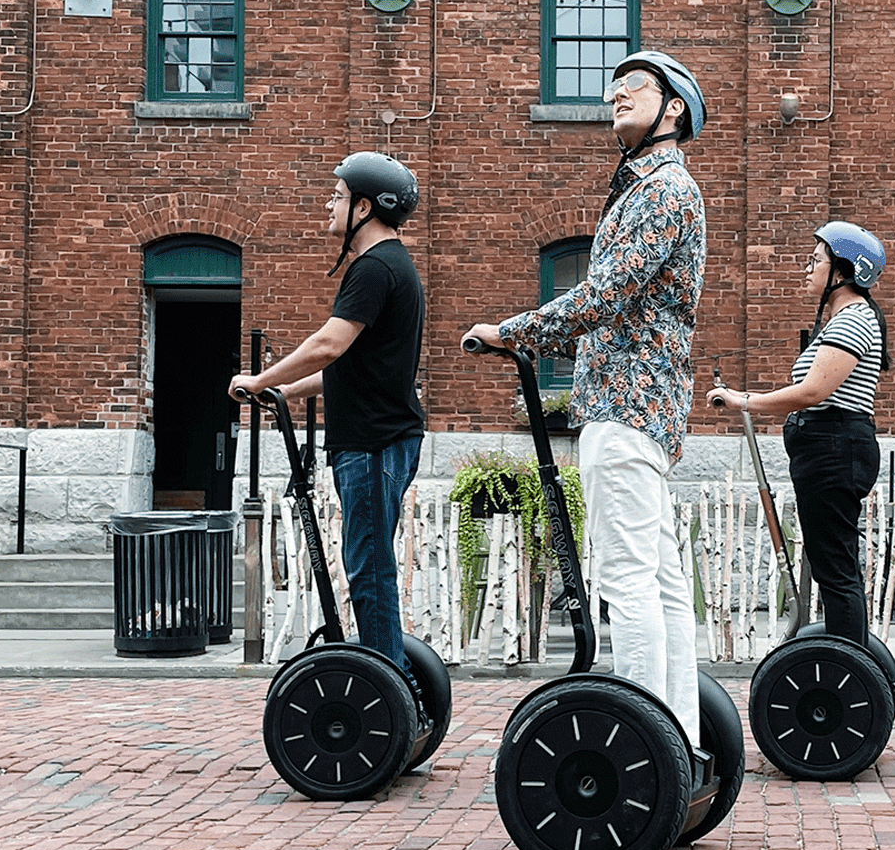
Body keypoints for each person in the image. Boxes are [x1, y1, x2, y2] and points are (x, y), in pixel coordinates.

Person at [461, 50, 708, 745]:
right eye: (612, 90)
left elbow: (606, 295)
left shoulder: (663, 191)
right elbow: (619, 310)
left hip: (625, 414)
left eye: (635, 88)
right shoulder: (647, 189)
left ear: (674, 109)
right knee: (659, 584)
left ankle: (638, 740)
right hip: (635, 411)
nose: (616, 96)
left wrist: (515, 332)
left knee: (629, 582)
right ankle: (679, 740)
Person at [228, 152, 426, 684]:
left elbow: (329, 345)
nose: (329, 204)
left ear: (364, 207)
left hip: (372, 444)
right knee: (369, 562)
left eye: (338, 196)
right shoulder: (391, 265)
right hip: (381, 438)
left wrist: (259, 379)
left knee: (369, 568)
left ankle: (391, 686)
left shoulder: (374, 266)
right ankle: (394, 679)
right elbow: (356, 367)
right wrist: (289, 391)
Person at [706, 222, 889, 648]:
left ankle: (854, 669)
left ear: (843, 272)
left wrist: (742, 400)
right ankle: (854, 661)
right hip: (828, 449)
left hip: (834, 449)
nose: (807, 268)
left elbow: (812, 392)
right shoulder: (842, 320)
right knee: (833, 566)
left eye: (816, 260)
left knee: (836, 569)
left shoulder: (853, 321)